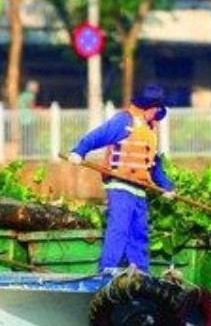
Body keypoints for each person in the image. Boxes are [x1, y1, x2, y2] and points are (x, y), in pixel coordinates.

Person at [67, 84, 175, 273]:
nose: (158, 114)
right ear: (149, 107)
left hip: (139, 190)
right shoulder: (124, 121)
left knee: (139, 233)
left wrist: (167, 187)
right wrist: (79, 151)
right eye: (157, 109)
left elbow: (155, 165)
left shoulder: (149, 131)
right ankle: (107, 270)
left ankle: (141, 272)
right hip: (120, 186)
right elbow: (98, 136)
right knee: (119, 229)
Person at [18, 80, 39, 155]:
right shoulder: (30, 95)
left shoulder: (22, 95)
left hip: (22, 119)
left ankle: (24, 152)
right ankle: (29, 153)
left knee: (24, 137)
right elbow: (31, 106)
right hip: (29, 119)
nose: (37, 89)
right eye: (36, 88)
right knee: (30, 138)